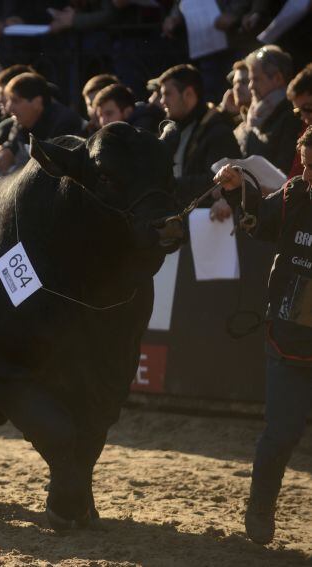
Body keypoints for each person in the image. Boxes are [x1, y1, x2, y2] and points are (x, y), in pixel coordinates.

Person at [213, 125, 312, 546]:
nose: (307, 171)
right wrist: (236, 192)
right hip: (289, 334)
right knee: (282, 432)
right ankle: (260, 507)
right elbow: (256, 222)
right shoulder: (293, 196)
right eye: (305, 162)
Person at [158, 64, 241, 214]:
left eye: (167, 94)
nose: (162, 101)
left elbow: (219, 181)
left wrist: (170, 184)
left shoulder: (218, 132)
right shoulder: (180, 130)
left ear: (188, 94)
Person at [0, 72, 83, 176]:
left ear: (37, 102)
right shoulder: (20, 124)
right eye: (9, 101)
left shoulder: (65, 123)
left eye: (15, 101)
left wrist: (11, 167)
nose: (9, 107)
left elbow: (54, 173)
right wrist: (2, 156)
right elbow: (8, 153)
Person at [236, 45, 303, 175]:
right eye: (249, 80)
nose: (251, 86)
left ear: (277, 78)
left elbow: (284, 170)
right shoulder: (254, 115)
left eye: (256, 79)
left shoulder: (292, 116)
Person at [92, 83, 163, 132]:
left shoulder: (143, 130)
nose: (103, 121)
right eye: (100, 115)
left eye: (109, 114)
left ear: (127, 112)